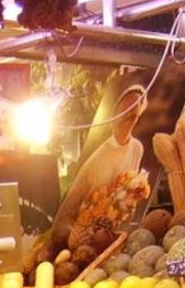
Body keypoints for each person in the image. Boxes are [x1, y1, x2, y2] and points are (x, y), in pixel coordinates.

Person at [52, 84, 148, 237]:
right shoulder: (96, 160)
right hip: (87, 238)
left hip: (116, 236)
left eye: (135, 110)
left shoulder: (137, 148)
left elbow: (128, 198)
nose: (129, 113)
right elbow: (64, 214)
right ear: (113, 116)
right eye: (124, 109)